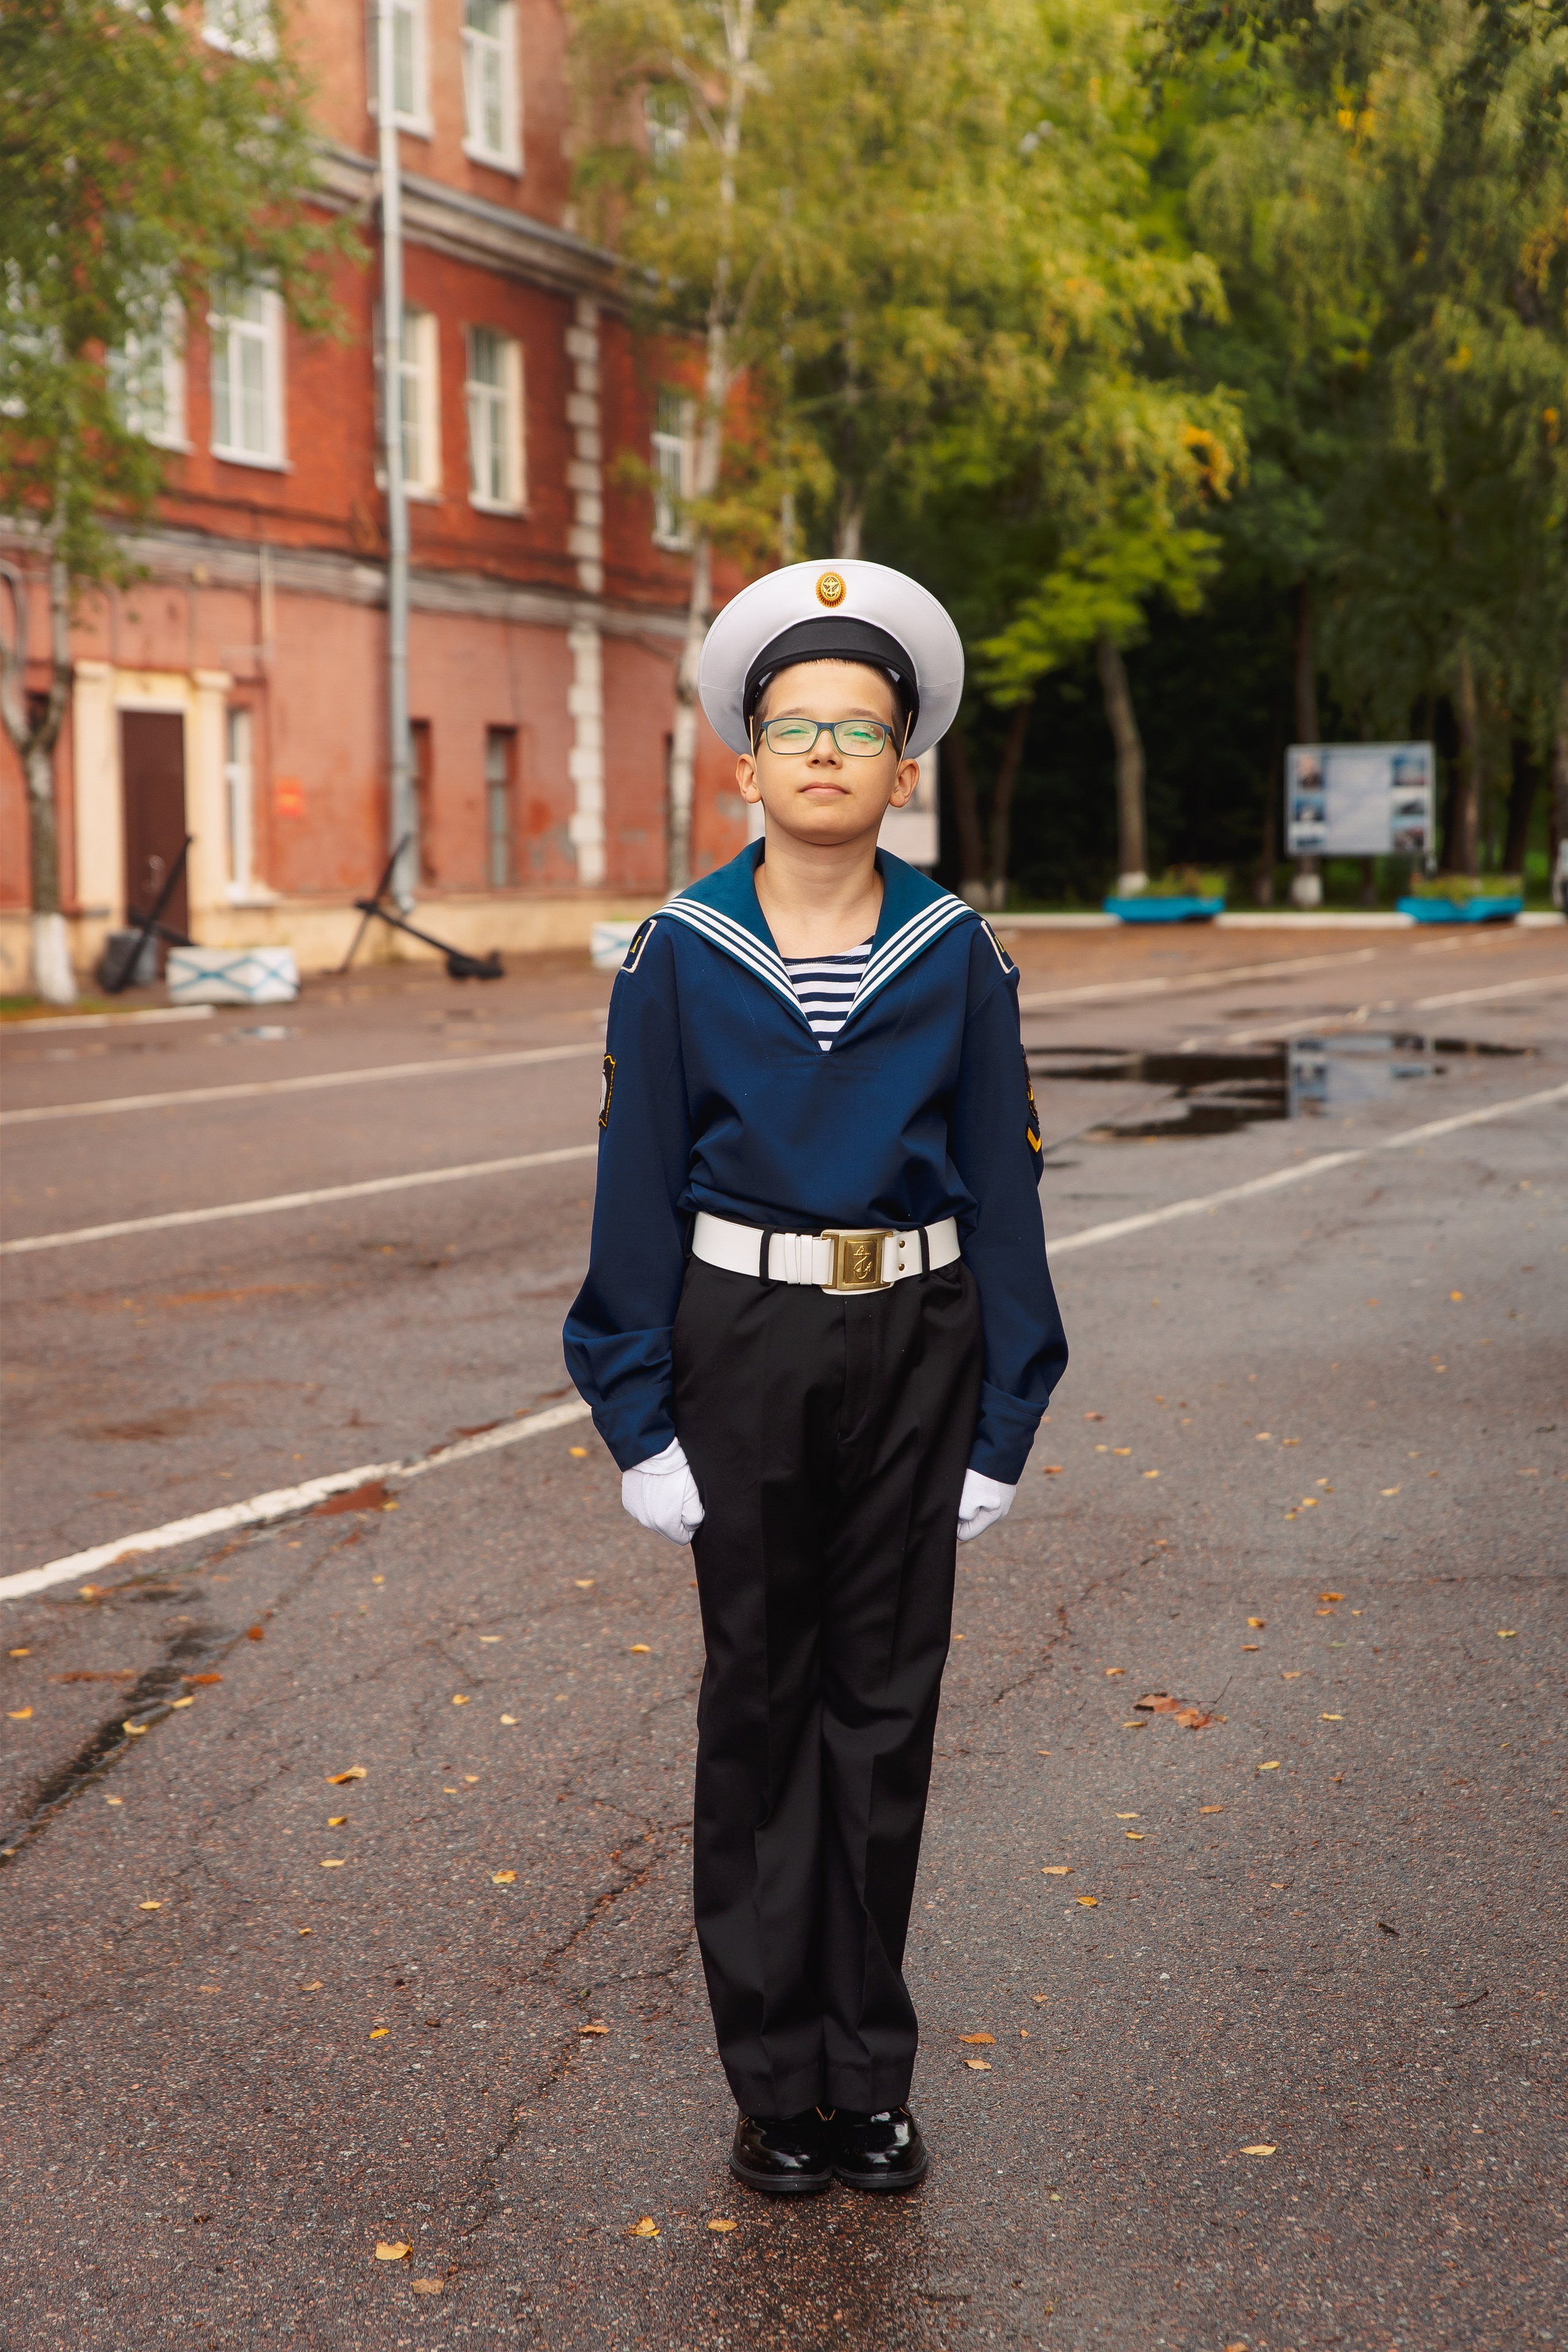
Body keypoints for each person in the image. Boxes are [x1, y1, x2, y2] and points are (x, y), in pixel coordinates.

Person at [564, 559, 1067, 2196]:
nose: (830, 752)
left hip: (915, 1346)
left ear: (906, 770)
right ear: (745, 765)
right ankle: (775, 2079)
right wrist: (637, 1410)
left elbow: (1004, 1180)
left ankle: (867, 2076)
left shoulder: (958, 955)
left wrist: (1006, 1410)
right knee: (764, 1716)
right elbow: (634, 1184)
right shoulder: (681, 953)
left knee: (883, 1711)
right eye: (797, 728)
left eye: (864, 728)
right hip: (744, 1343)